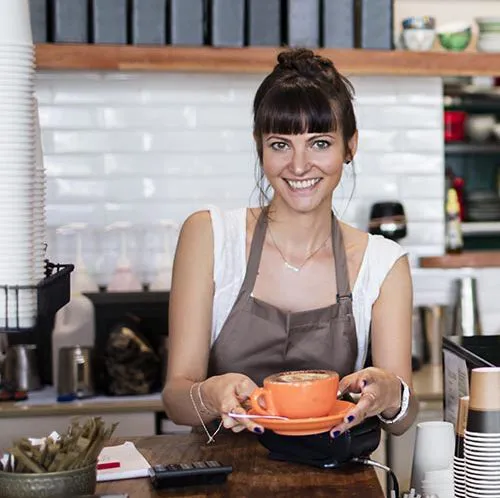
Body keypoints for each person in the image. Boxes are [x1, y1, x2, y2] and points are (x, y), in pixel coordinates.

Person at [162, 48, 418, 442]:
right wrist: (208, 395)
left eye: (319, 143)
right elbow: (177, 400)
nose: (299, 166)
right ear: (260, 146)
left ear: (350, 146)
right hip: (220, 474)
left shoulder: (382, 264)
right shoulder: (210, 237)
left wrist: (389, 394)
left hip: (336, 479)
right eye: (281, 144)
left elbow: (401, 420)